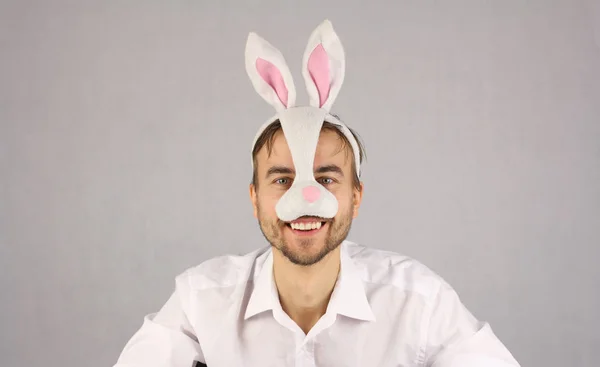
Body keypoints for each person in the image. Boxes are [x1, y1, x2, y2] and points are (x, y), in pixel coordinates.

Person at [113, 19, 520, 367]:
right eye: (282, 179)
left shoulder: (420, 303)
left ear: (356, 197)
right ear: (254, 199)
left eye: (326, 179)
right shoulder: (201, 302)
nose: (305, 198)